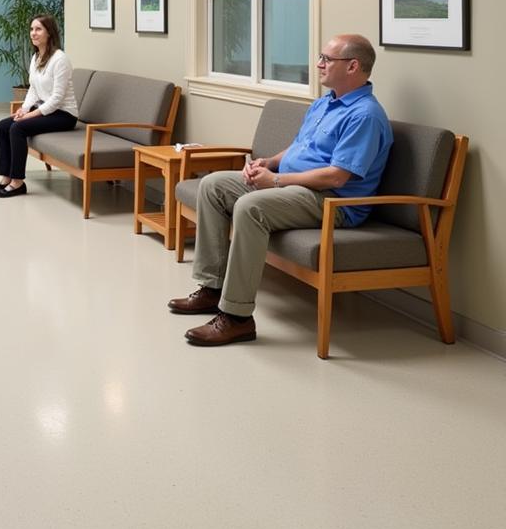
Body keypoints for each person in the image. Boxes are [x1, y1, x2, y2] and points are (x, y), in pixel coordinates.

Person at [168, 33, 393, 347]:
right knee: (213, 185)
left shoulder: (364, 115)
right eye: (321, 57)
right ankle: (211, 289)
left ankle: (237, 318)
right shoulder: (324, 104)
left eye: (327, 59)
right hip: (294, 187)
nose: (319, 64)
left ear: (353, 66)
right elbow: (299, 148)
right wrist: (267, 163)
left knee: (251, 207)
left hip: (333, 202)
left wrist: (275, 181)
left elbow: (337, 177)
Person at [0, 16, 78, 199]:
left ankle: (18, 182)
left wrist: (30, 116)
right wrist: (24, 109)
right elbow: (34, 90)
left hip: (64, 114)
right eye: (32, 29)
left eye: (38, 29)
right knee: (2, 126)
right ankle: (6, 178)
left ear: (49, 33)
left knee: (17, 128)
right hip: (45, 110)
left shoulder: (60, 59)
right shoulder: (36, 57)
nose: (33, 33)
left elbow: (57, 99)